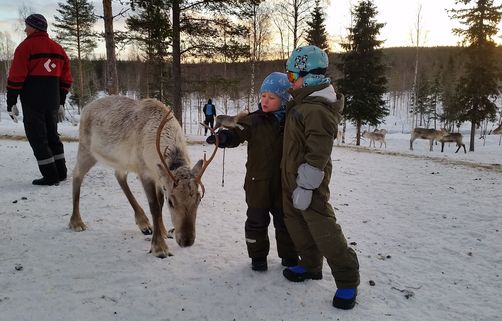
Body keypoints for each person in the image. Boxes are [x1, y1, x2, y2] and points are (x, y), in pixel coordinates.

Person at [281, 45, 360, 310]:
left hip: (309, 181)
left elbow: (319, 153)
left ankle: (347, 279)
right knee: (296, 222)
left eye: (293, 77)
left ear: (309, 76)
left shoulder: (316, 109)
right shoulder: (302, 103)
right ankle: (311, 265)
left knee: (322, 226)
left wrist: (306, 184)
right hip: (292, 178)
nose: (290, 82)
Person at [206, 72, 298, 271]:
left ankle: (290, 257)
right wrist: (223, 138)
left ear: (283, 100)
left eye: (272, 97)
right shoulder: (254, 120)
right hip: (257, 182)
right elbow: (237, 132)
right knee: (256, 221)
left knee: (286, 222)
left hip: (284, 183)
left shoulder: (292, 122)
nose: (265, 101)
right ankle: (258, 257)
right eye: (263, 95)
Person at [6, 13, 72, 186]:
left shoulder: (25, 47)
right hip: (52, 101)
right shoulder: (58, 49)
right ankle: (61, 172)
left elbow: (16, 76)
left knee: (37, 138)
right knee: (52, 136)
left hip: (33, 101)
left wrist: (11, 101)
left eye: (27, 26)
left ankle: (51, 177)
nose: (25, 29)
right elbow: (66, 79)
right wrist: (61, 101)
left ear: (34, 27)